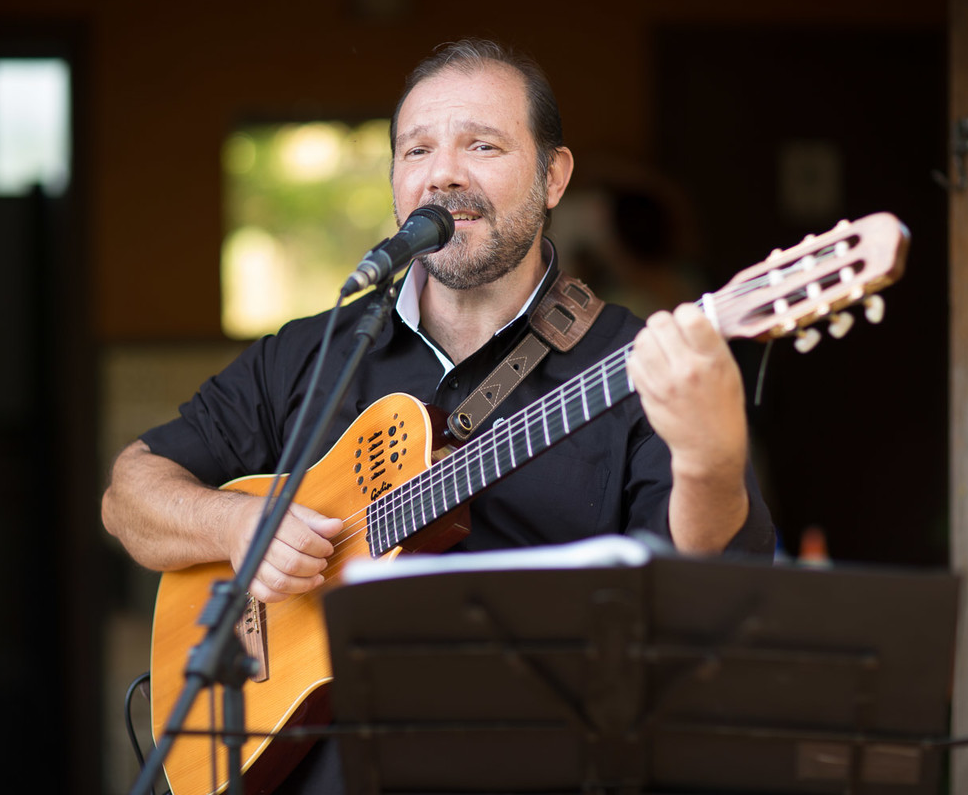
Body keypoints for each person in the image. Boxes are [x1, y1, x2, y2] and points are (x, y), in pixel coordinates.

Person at [102, 38, 775, 794]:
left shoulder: (636, 361)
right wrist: (236, 528)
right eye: (416, 149)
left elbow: (702, 590)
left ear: (553, 177)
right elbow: (130, 493)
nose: (443, 172)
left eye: (482, 145)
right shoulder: (314, 352)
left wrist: (712, 461)